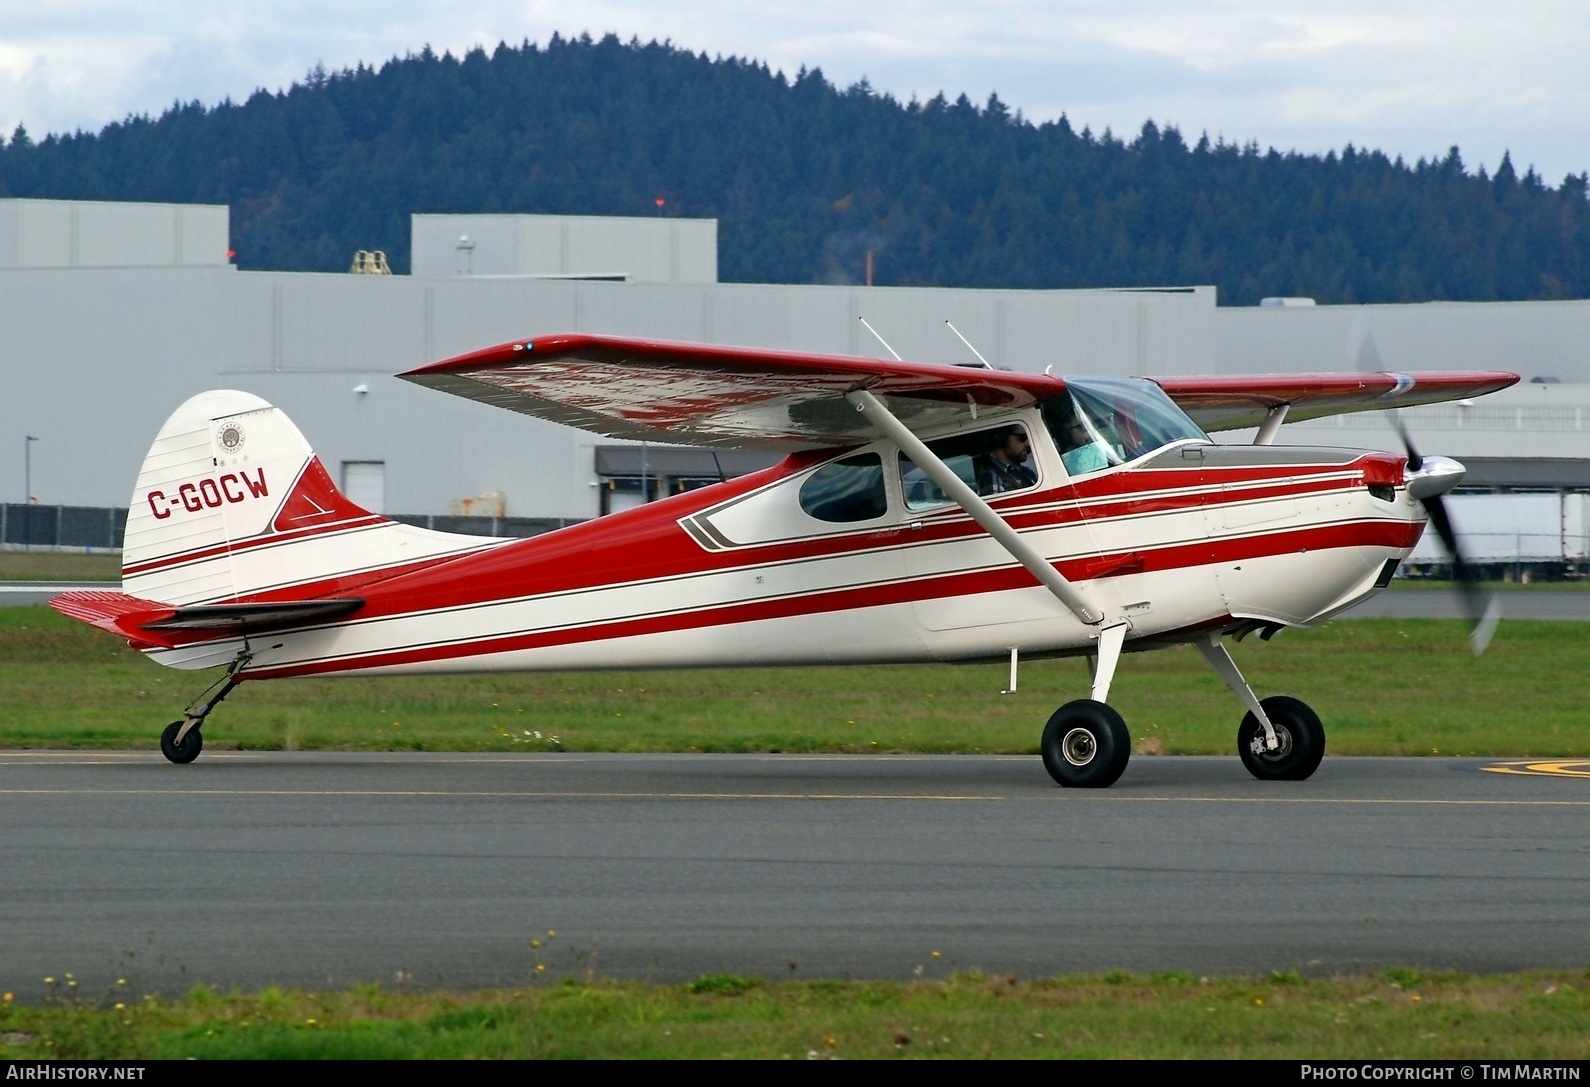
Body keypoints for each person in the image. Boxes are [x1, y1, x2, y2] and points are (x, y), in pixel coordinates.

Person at [975, 427, 1038, 494]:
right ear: (1002, 438)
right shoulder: (992, 476)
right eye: (1022, 438)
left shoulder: (1027, 473)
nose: (1028, 444)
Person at [1056, 411, 1112, 476]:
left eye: (1091, 425)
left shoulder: (1101, 454)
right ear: (1066, 434)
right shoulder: (1059, 464)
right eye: (1083, 427)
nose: (1090, 432)